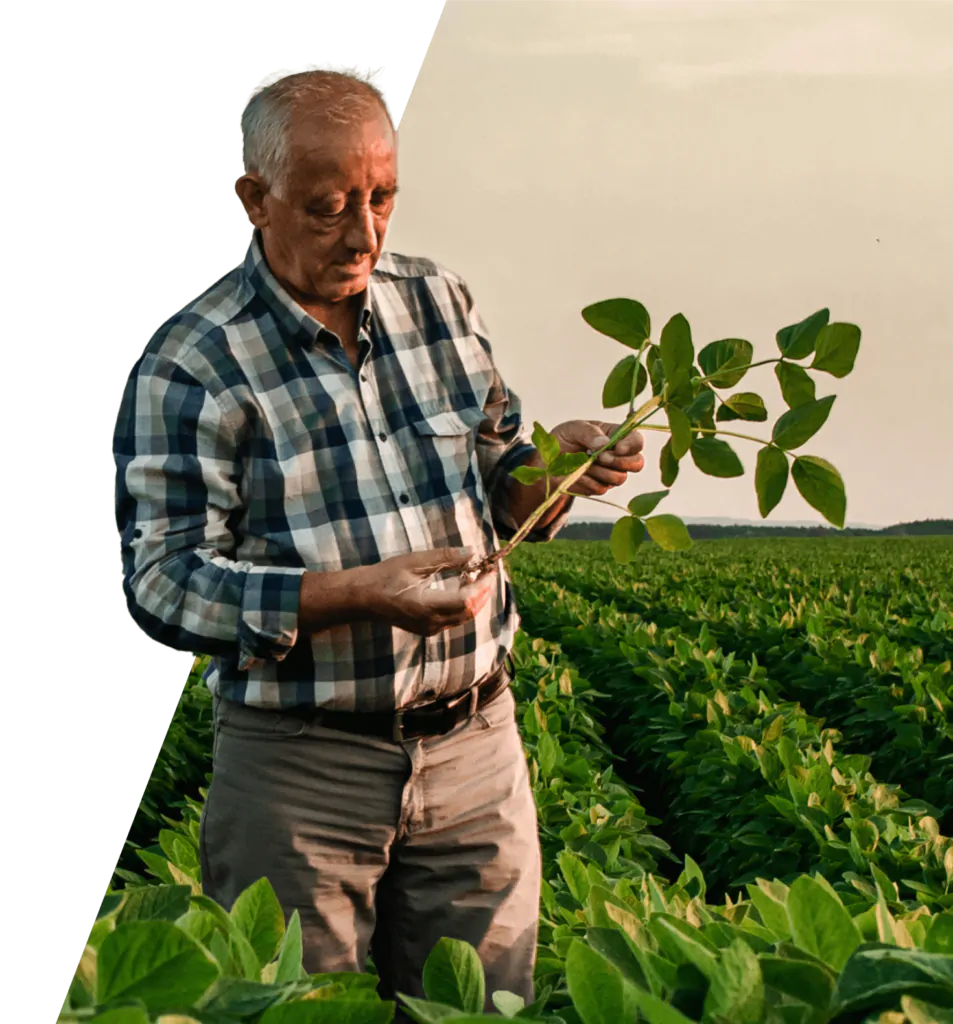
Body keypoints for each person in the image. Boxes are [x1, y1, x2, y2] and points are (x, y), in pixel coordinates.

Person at [113, 69, 646, 1017]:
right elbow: (162, 582)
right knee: (297, 1012)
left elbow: (499, 476)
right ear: (254, 200)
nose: (363, 233)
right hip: (300, 771)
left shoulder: (438, 301)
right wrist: (356, 592)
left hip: (477, 748)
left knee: (484, 1009)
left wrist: (551, 474)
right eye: (327, 208)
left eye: (381, 198)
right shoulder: (192, 360)